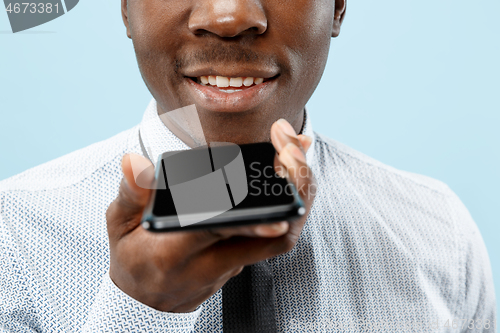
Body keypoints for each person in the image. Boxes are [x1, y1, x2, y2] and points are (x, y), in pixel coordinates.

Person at [0, 0, 496, 331]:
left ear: (339, 6)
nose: (229, 15)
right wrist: (141, 311)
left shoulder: (440, 231)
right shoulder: (14, 234)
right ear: (126, 8)